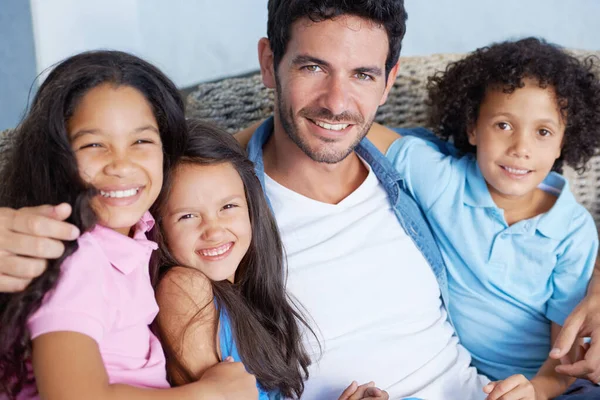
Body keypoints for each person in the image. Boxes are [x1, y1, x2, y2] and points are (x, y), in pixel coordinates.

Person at [2, 1, 600, 398]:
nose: (337, 101)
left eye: (363, 75)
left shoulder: (418, 169)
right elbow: (103, 206)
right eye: (314, 67)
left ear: (389, 83)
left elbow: (547, 224)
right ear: (270, 63)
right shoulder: (211, 200)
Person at [0, 51, 257, 400]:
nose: (121, 164)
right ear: (56, 157)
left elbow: (226, 159)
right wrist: (208, 395)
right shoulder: (79, 257)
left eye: (141, 141)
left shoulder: (137, 232)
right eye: (94, 144)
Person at [373, 37, 600, 400]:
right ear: (473, 128)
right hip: (466, 380)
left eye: (543, 132)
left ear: (562, 143)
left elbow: (567, 354)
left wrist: (536, 392)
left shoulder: (571, 231)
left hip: (556, 385)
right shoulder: (444, 181)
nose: (521, 149)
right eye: (503, 125)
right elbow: (353, 127)